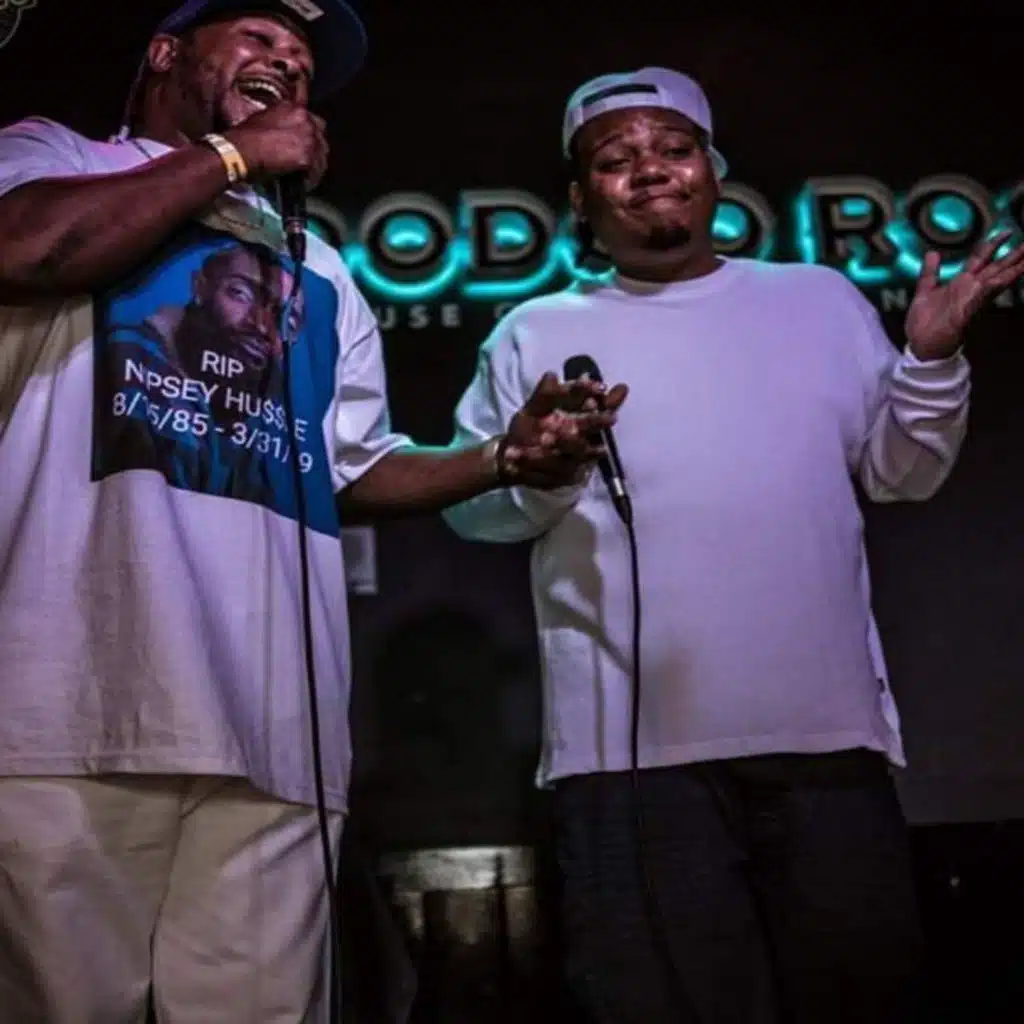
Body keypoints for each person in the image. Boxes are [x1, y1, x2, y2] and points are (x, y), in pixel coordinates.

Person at [0, 2, 621, 1021]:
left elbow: (352, 466)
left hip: (277, 734)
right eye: (258, 37)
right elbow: (28, 248)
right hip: (69, 709)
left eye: (301, 58)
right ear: (165, 52)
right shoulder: (51, 157)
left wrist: (500, 458)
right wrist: (232, 158)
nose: (288, 60)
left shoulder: (318, 267)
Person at [444, 66, 1024, 1024]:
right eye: (616, 159)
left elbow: (903, 474)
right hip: (627, 765)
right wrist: (537, 469)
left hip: (827, 740)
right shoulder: (533, 331)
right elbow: (473, 515)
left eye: (674, 149)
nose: (650, 170)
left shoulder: (820, 300)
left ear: (714, 171)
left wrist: (930, 360)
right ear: (581, 199)